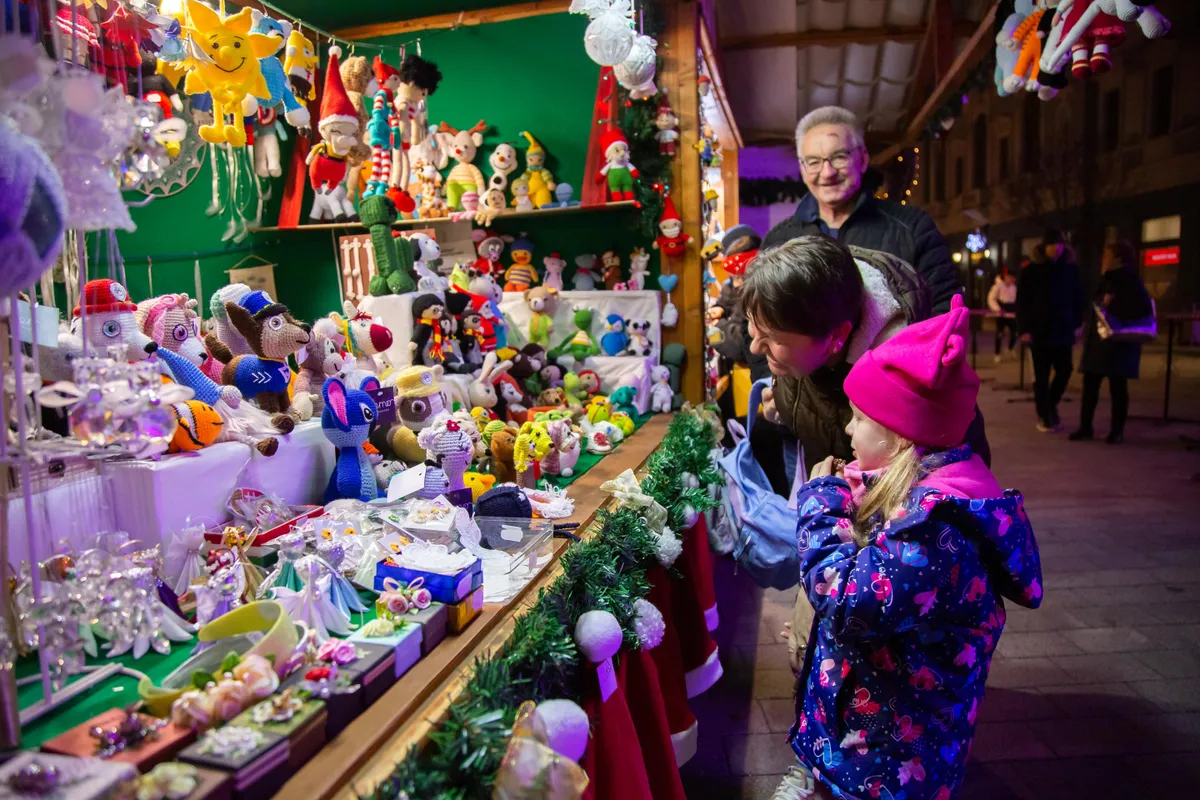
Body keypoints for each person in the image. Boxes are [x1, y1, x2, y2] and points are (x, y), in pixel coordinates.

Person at [772, 296, 1043, 800]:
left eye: (857, 418)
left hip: (893, 760)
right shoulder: (910, 492)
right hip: (868, 733)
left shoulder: (935, 528)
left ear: (898, 435)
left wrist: (822, 503)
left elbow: (848, 598)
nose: (848, 429)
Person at [742, 236, 991, 674]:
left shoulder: (912, 396)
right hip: (842, 542)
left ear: (838, 338)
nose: (754, 348)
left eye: (772, 338)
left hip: (872, 585)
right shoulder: (811, 306)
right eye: (752, 326)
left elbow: (881, 584)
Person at [760, 106, 960, 314]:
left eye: (839, 157)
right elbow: (760, 319)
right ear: (802, 168)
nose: (827, 173)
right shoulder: (779, 241)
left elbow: (945, 315)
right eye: (814, 162)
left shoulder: (914, 228)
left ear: (863, 159)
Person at [1070, 239, 1153, 444]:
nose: (1103, 260)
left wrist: (1112, 306)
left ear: (1117, 258)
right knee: (1095, 385)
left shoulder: (1128, 280)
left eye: (1107, 255)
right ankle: (1091, 427)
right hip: (1102, 342)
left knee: (1115, 386)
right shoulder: (1109, 279)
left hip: (1116, 342)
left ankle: (1112, 430)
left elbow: (1138, 310)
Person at [1016, 231, 1086, 433]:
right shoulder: (1031, 271)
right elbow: (1023, 303)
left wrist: (1078, 322)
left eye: (1060, 244)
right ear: (1044, 247)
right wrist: (1024, 329)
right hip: (1039, 331)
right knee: (1042, 375)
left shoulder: (1070, 271)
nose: (1056, 248)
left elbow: (1078, 298)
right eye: (1052, 244)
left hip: (1063, 329)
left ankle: (1050, 406)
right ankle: (1045, 415)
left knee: (1064, 370)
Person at [987, 264, 1019, 362]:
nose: (1012, 280)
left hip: (1011, 313)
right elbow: (991, 299)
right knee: (999, 334)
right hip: (1001, 313)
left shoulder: (1014, 287)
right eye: (1010, 277)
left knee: (1015, 332)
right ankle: (997, 354)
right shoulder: (998, 286)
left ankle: (1010, 348)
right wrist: (997, 309)